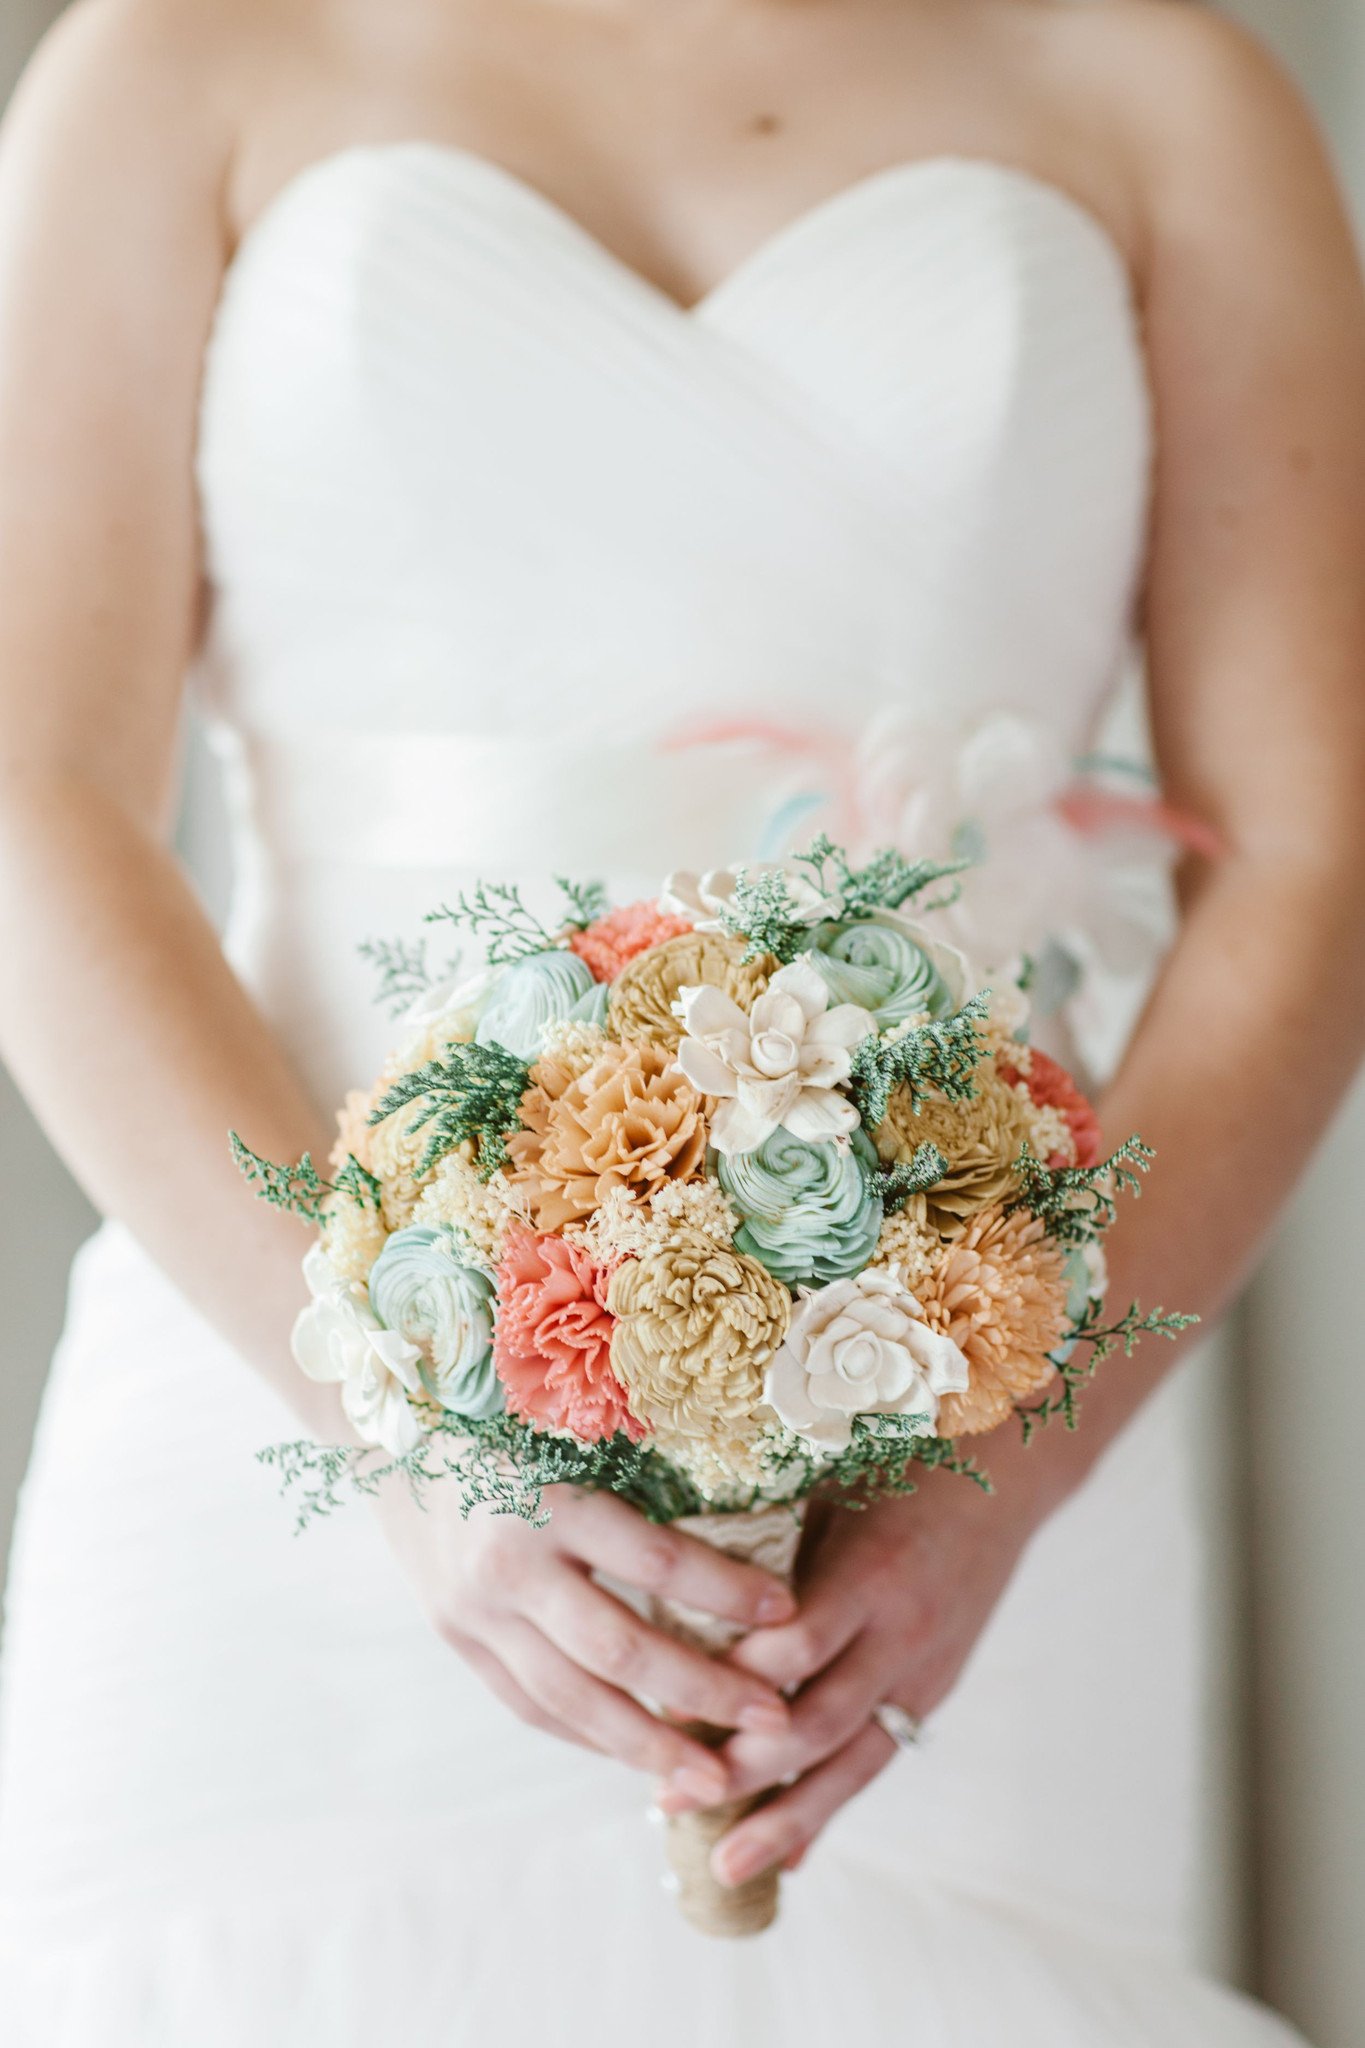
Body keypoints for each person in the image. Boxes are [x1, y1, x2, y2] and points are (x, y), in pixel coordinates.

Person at [1, 0, 1363, 2038]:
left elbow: (1302, 853)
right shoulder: (179, 58)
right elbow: (35, 796)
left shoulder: (1156, 87)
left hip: (958, 1433)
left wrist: (1008, 1462)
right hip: (269, 1394)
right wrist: (390, 1423)